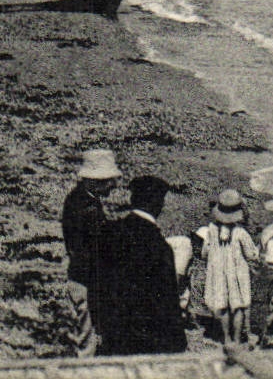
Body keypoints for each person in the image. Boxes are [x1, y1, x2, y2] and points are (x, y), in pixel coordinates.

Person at [100, 175, 187, 355]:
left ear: (133, 199)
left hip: (113, 331)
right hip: (147, 339)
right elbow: (167, 299)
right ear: (158, 203)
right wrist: (178, 342)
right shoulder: (159, 246)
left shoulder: (110, 231)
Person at [61, 149, 119, 357]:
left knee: (86, 335)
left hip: (82, 277)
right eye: (109, 181)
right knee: (87, 341)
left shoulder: (81, 200)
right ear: (96, 180)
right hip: (86, 280)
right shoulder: (86, 208)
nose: (113, 186)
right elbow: (93, 249)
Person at [202, 189, 260, 347]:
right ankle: (236, 338)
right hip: (237, 273)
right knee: (238, 306)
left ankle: (226, 338)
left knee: (223, 304)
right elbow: (251, 254)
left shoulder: (212, 229)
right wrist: (258, 251)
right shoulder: (240, 232)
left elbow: (205, 252)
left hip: (218, 271)